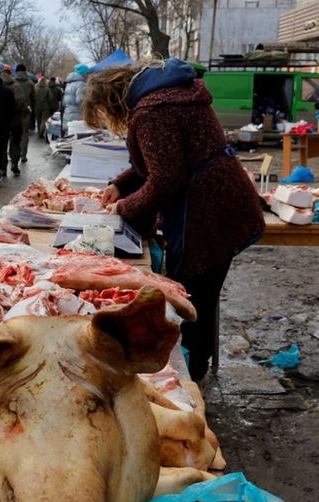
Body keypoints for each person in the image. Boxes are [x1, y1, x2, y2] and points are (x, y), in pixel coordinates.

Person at [84, 59, 264, 382]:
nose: (108, 123)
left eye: (101, 115)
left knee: (191, 299)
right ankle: (195, 371)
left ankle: (190, 384)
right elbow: (159, 162)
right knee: (200, 296)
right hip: (218, 203)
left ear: (109, 102)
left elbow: (166, 179)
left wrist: (125, 207)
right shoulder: (164, 96)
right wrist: (120, 185)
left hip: (206, 212)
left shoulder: (151, 112)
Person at [1, 69, 26, 176]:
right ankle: (14, 163)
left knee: (2, 144)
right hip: (15, 120)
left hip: (1, 121)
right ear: (10, 75)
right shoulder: (16, 87)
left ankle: (2, 168)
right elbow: (20, 102)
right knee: (15, 142)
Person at [12, 64, 36, 162]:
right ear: (25, 71)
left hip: (13, 112)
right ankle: (23, 155)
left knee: (13, 134)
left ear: (16, 71)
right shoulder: (30, 83)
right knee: (24, 133)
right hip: (26, 112)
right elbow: (34, 99)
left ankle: (13, 154)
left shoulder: (13, 82)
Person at [62, 63, 90, 133]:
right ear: (84, 73)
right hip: (77, 118)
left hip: (67, 115)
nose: (88, 75)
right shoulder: (81, 84)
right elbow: (81, 101)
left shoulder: (69, 83)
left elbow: (64, 102)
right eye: (87, 73)